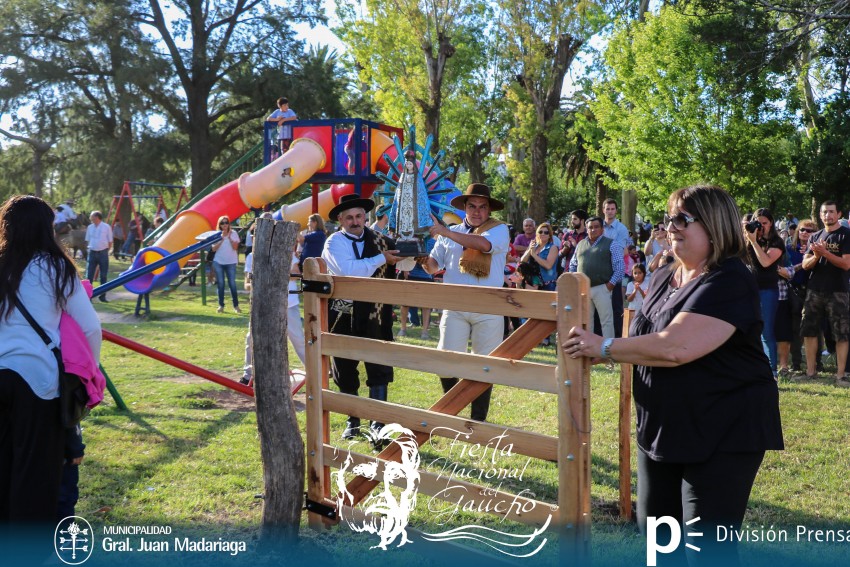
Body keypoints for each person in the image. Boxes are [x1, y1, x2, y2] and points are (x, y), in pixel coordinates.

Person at [563, 184, 783, 566]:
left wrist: (603, 347)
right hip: (663, 428)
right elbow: (646, 337)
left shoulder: (730, 279)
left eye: (683, 218)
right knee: (658, 543)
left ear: (714, 225)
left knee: (704, 552)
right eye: (670, 218)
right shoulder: (666, 275)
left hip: (723, 432)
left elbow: (675, 346)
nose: (672, 226)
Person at [0, 195, 102, 529]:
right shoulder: (55, 267)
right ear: (48, 228)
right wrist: (90, 373)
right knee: (35, 472)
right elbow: (89, 327)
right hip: (38, 381)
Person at [418, 184, 510, 422]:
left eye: (482, 206)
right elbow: (434, 266)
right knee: (446, 361)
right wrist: (419, 255)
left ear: (489, 209)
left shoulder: (498, 229)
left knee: (484, 366)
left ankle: (477, 421)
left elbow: (482, 245)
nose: (477, 211)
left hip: (489, 306)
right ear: (465, 208)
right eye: (472, 206)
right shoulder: (451, 231)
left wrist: (444, 232)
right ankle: (451, 413)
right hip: (455, 304)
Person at [321, 194, 401, 440]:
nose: (355, 221)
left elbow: (404, 256)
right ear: (341, 220)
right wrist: (381, 259)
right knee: (344, 368)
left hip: (376, 311)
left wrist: (410, 248)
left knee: (378, 363)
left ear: (365, 217)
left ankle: (378, 422)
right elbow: (349, 271)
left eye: (358, 216)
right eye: (349, 218)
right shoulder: (334, 242)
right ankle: (352, 420)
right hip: (343, 311)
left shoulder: (380, 239)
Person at [796, 200, 850, 384]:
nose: (828, 215)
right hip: (814, 290)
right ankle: (811, 372)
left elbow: (846, 264)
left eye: (831, 212)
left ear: (839, 214)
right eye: (825, 212)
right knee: (809, 330)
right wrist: (817, 256)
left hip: (838, 291)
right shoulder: (815, 236)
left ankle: (840, 374)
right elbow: (804, 265)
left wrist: (825, 254)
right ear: (820, 215)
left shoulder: (846, 235)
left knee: (841, 333)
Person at [568, 216, 625, 339]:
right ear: (586, 230)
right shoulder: (580, 244)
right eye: (590, 227)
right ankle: (589, 350)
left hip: (602, 288)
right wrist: (575, 281)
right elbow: (573, 265)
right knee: (587, 322)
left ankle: (608, 351)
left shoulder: (612, 244)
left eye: (596, 227)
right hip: (583, 289)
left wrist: (609, 286)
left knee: (607, 321)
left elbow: (620, 267)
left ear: (602, 229)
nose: (593, 230)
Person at [744, 208, 785, 377]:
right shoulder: (750, 238)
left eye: (764, 223)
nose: (760, 226)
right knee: (749, 329)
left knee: (766, 331)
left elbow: (766, 262)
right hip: (749, 290)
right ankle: (753, 367)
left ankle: (771, 370)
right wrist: (747, 237)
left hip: (768, 290)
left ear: (771, 223)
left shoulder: (776, 242)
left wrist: (754, 242)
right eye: (757, 223)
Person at [780, 219, 819, 374]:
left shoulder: (820, 249)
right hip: (795, 291)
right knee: (796, 327)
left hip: (814, 291)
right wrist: (802, 263)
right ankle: (796, 363)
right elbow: (785, 269)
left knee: (815, 328)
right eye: (803, 229)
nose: (805, 233)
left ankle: (817, 362)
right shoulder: (789, 249)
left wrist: (813, 255)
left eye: (810, 231)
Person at [602, 199, 631, 338]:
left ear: (616, 211)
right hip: (599, 273)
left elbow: (620, 251)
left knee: (615, 307)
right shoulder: (597, 226)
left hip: (615, 271)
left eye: (612, 209)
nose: (610, 211)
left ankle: (618, 338)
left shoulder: (621, 229)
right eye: (607, 209)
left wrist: (603, 252)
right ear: (603, 210)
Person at [211, 215, 241, 314]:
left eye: (226, 222)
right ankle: (221, 306)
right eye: (222, 223)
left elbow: (235, 247)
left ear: (229, 224)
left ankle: (236, 306)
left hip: (231, 262)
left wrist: (229, 238)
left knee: (232, 284)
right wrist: (222, 239)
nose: (224, 225)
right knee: (221, 284)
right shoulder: (216, 234)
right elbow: (213, 249)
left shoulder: (234, 233)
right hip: (218, 261)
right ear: (219, 225)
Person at [85, 211, 113, 303]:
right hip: (92, 252)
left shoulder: (106, 227)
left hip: (103, 253)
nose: (90, 218)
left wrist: (106, 250)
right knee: (89, 275)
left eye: (92, 216)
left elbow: (110, 241)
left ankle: (102, 296)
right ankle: (88, 296)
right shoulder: (90, 227)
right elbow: (88, 240)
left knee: (103, 275)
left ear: (97, 217)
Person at [521, 222, 558, 291]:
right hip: (531, 283)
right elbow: (522, 261)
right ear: (537, 234)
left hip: (547, 285)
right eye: (540, 232)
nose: (543, 234)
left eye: (546, 232)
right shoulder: (534, 246)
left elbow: (548, 266)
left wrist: (534, 255)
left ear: (549, 235)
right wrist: (530, 250)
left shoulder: (553, 247)